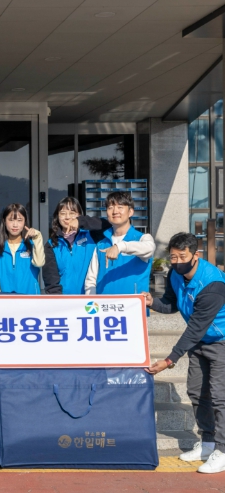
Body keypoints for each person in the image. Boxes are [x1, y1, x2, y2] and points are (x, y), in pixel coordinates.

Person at [144, 233, 225, 474]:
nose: (177, 262)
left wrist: (169, 360)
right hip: (200, 343)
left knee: (220, 396)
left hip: (220, 341)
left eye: (182, 256)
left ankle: (222, 450)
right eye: (173, 257)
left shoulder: (212, 284)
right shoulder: (175, 274)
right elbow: (172, 303)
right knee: (197, 392)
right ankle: (208, 443)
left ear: (195, 255)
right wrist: (152, 302)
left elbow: (195, 328)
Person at [84, 191, 154, 295]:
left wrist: (120, 247)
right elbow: (91, 280)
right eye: (110, 207)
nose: (115, 211)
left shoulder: (142, 238)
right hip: (105, 304)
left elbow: (149, 249)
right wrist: (92, 299)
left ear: (130, 212)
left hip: (133, 304)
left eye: (120, 207)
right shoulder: (101, 244)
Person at [43, 197, 110, 295]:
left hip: (92, 298)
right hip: (66, 300)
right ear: (57, 216)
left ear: (79, 215)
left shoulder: (91, 235)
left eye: (72, 213)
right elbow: (51, 281)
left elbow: (107, 225)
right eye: (63, 213)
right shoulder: (51, 244)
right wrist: (58, 300)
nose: (67, 217)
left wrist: (81, 222)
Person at [0, 203, 44, 294]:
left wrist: (38, 237)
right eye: (11, 220)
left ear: (25, 222)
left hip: (31, 299)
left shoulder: (32, 245)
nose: (15, 225)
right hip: (5, 300)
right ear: (4, 221)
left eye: (19, 220)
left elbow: (39, 263)